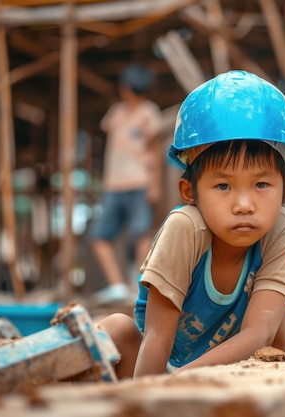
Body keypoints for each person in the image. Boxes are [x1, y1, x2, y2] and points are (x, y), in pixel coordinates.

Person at [99, 70, 285, 378]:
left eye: (261, 184)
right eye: (223, 186)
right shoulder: (185, 227)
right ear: (189, 192)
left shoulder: (281, 227)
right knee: (113, 329)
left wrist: (187, 382)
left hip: (226, 366)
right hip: (153, 363)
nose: (244, 205)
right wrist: (151, 397)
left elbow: (258, 334)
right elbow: (157, 338)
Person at [88, 63, 164, 305]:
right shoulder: (117, 112)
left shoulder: (148, 113)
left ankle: (137, 287)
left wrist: (155, 185)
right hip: (114, 184)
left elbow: (155, 152)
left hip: (139, 181)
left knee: (141, 234)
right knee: (99, 235)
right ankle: (117, 286)